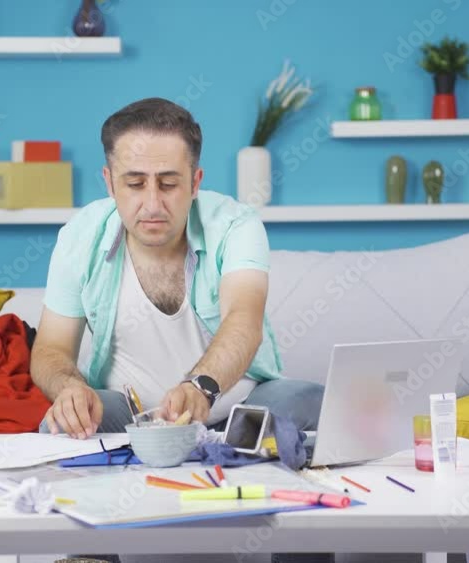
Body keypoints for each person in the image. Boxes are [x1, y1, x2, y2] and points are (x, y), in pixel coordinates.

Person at [31, 97, 333, 563]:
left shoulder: (235, 225)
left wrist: (201, 387)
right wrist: (69, 387)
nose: (153, 203)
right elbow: (50, 348)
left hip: (237, 411)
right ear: (109, 182)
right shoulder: (79, 237)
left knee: (311, 402)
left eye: (169, 183)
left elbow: (243, 320)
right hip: (133, 417)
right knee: (57, 425)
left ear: (195, 182)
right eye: (135, 183)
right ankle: (91, 556)